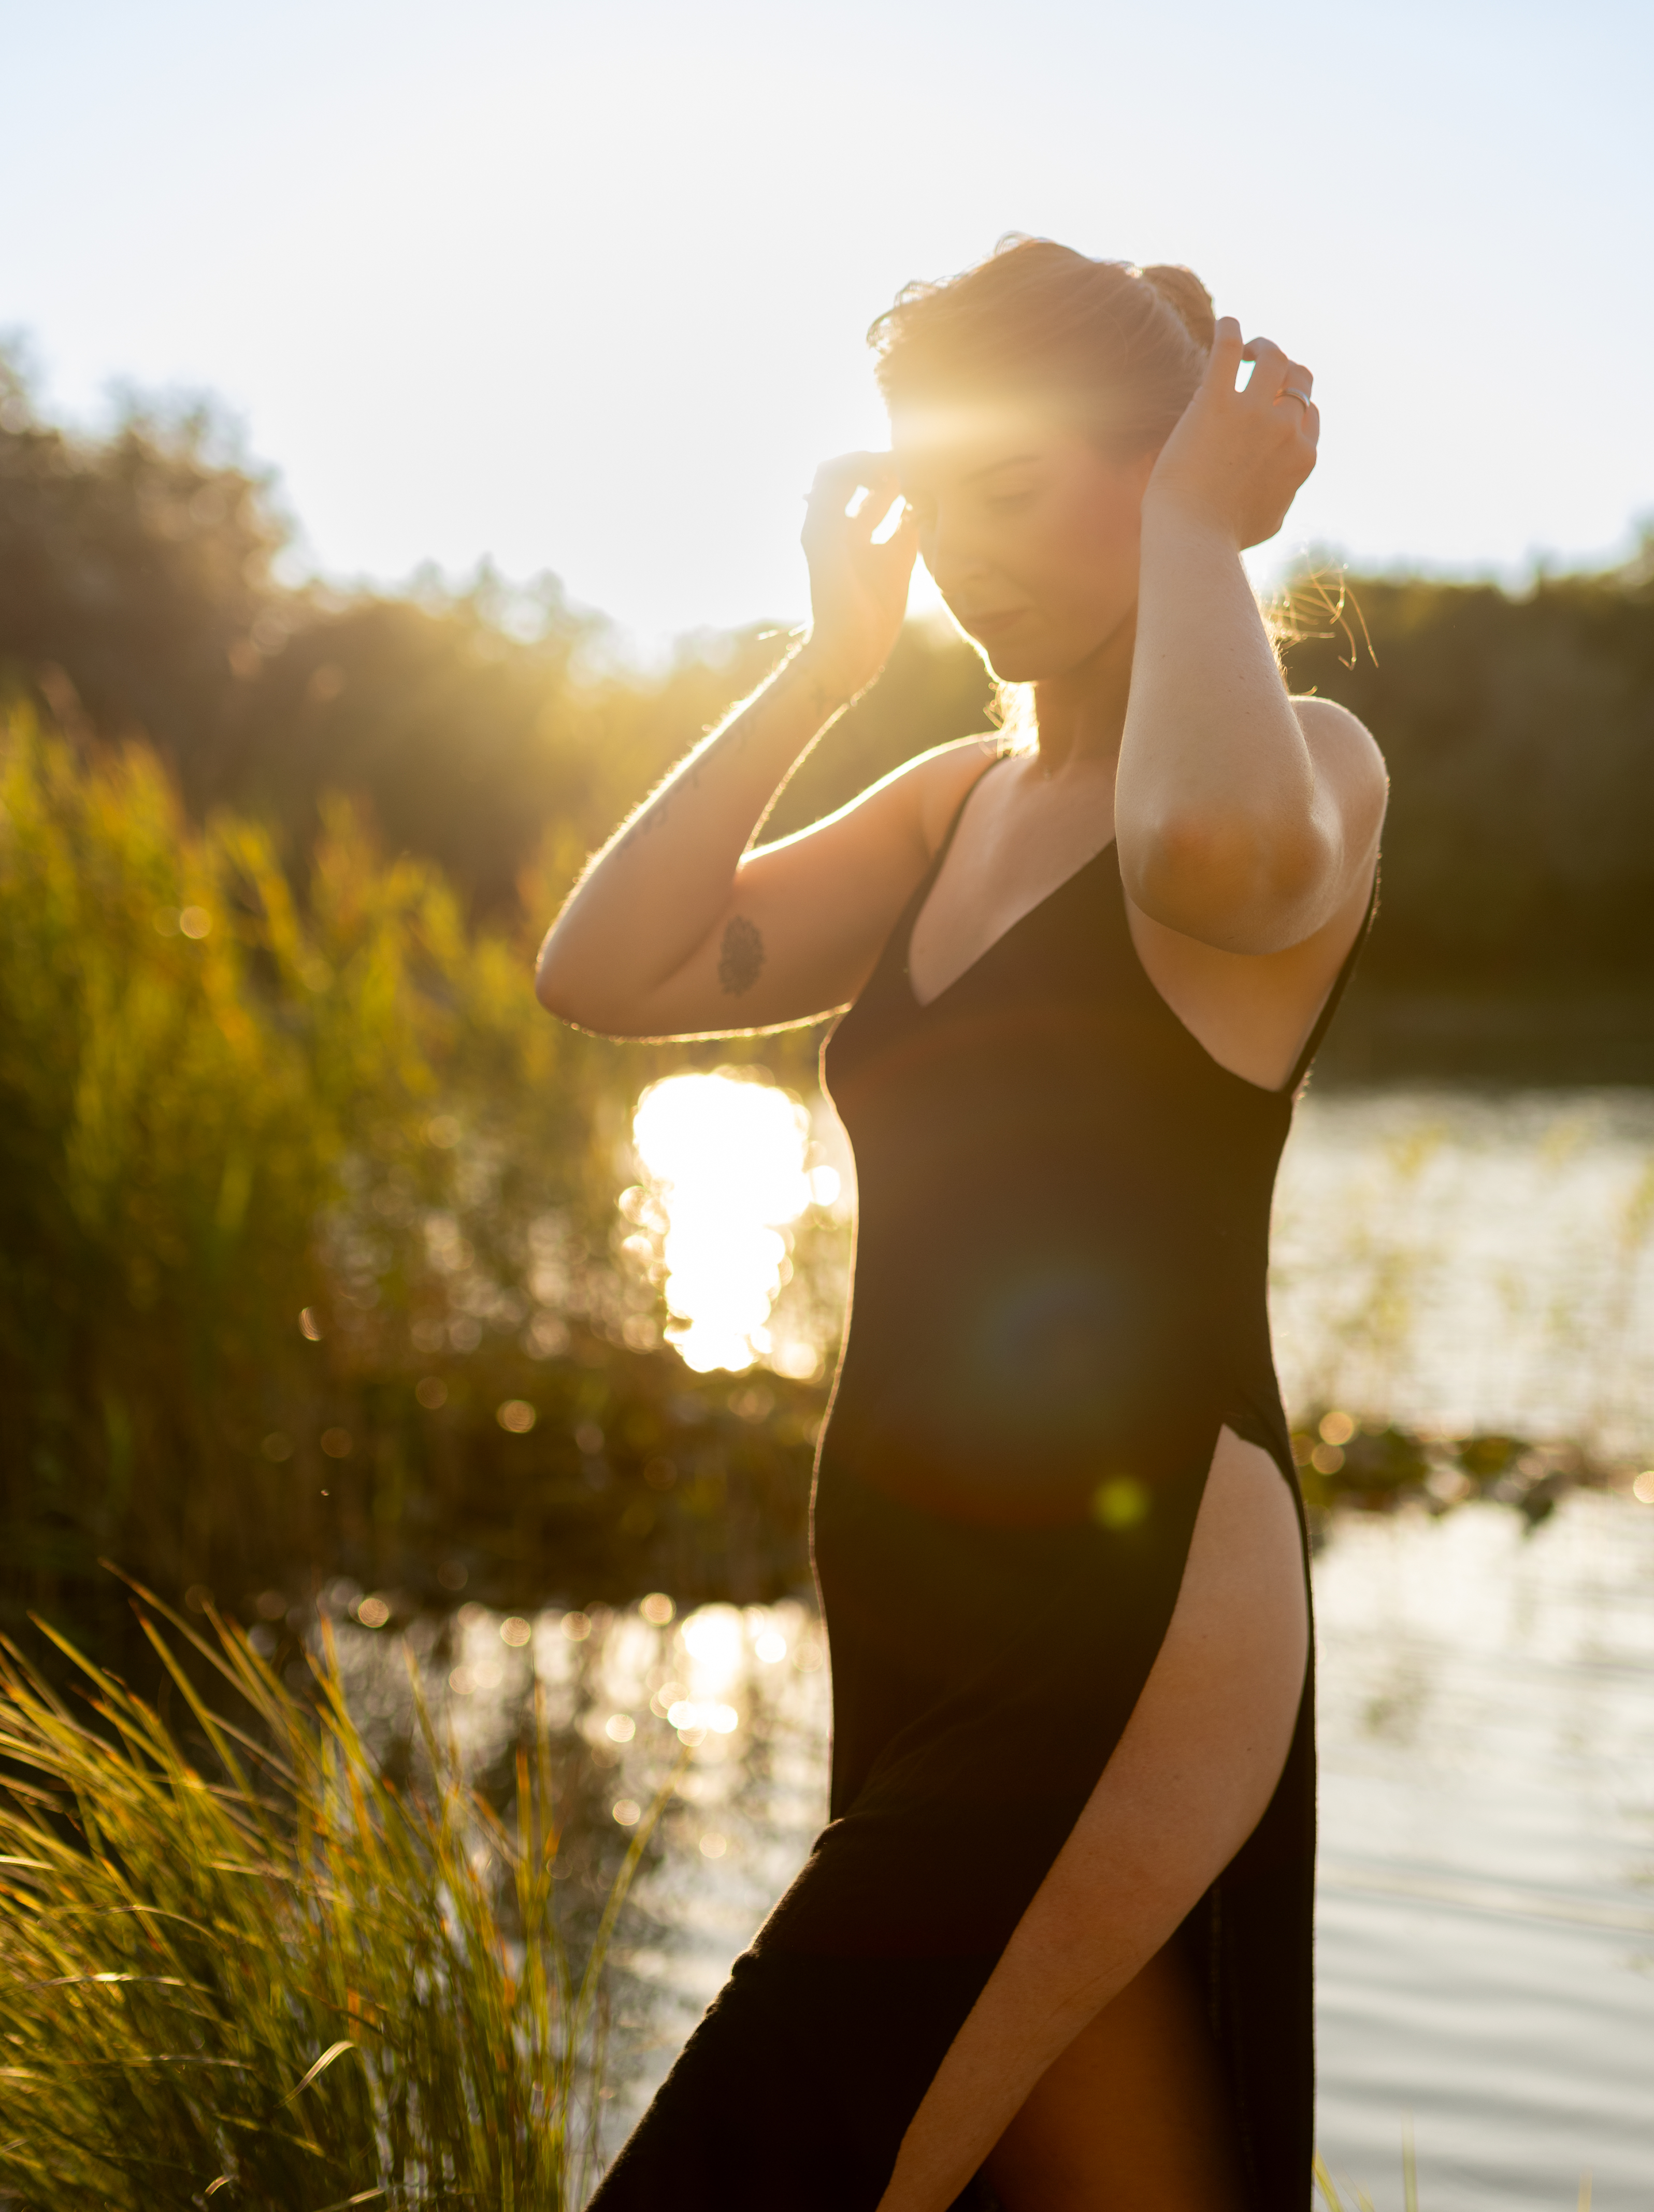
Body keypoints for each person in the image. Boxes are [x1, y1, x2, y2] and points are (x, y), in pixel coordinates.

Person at [535, 236, 1387, 2211]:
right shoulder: (946, 804)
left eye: (1013, 490)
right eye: (937, 495)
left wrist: (1198, 536)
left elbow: (1198, 850)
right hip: (916, 1595)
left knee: (763, 2171)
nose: (968, 553)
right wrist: (820, 668)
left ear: (1169, 469)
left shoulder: (1304, 771)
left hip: (1133, 1597)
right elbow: (608, 964)